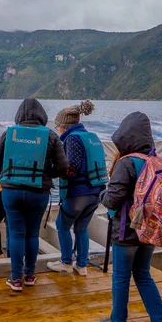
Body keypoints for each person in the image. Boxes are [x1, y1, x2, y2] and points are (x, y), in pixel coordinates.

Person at [98, 111, 162, 322]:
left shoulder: (127, 162)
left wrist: (102, 193)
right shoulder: (157, 160)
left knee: (121, 277)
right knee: (143, 274)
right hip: (150, 230)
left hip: (126, 232)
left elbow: (113, 199)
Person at [0, 98, 68, 291]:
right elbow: (62, 167)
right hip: (38, 192)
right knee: (32, 234)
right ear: (42, 115)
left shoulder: (8, 134)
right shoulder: (50, 136)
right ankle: (30, 275)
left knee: (16, 234)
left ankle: (16, 279)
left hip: (11, 192)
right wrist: (45, 175)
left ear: (19, 116)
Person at [47, 101, 106, 276]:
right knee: (81, 228)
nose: (57, 129)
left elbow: (71, 166)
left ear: (64, 125)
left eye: (58, 125)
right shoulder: (91, 137)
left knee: (62, 225)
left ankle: (65, 262)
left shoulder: (72, 139)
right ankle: (81, 266)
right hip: (96, 192)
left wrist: (51, 172)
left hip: (78, 193)